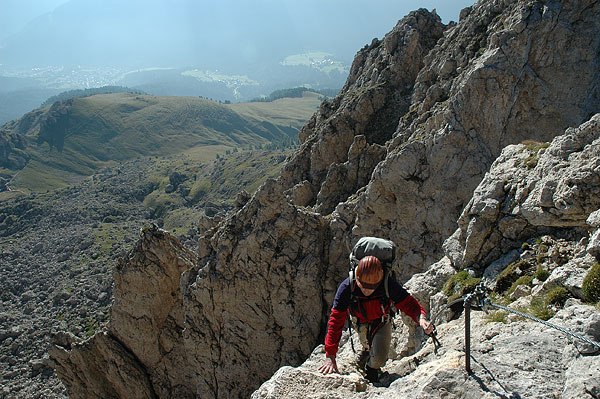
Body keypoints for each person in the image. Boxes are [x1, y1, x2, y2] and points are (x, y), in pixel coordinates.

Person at [318, 255, 434, 382]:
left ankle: (372, 370)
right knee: (367, 346)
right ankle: (366, 355)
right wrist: (330, 355)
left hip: (382, 320)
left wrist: (422, 319)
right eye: (363, 287)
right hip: (360, 321)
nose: (367, 291)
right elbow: (336, 321)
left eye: (371, 288)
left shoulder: (388, 284)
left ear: (378, 282)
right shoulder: (347, 287)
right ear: (357, 279)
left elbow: (410, 305)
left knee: (379, 357)